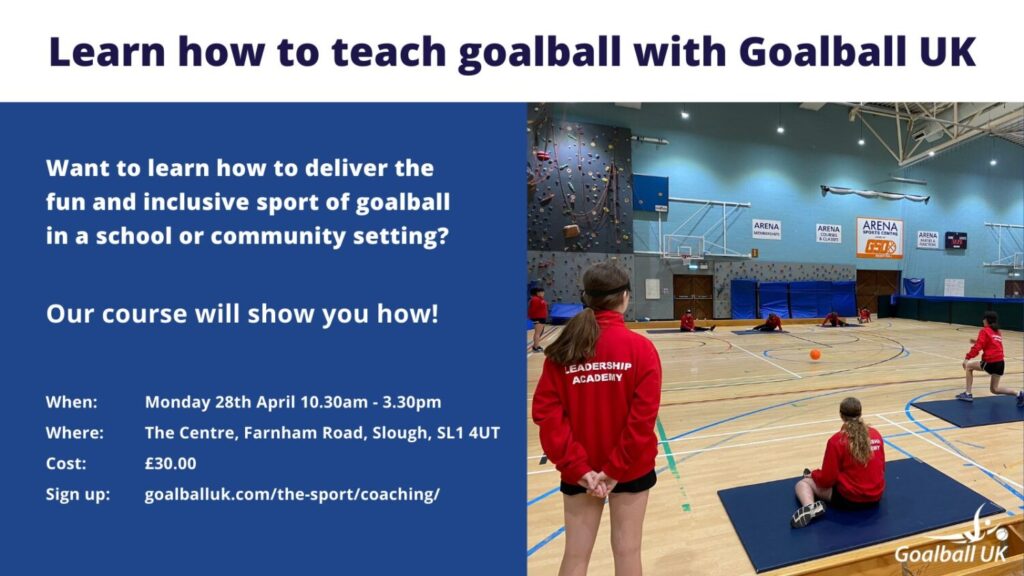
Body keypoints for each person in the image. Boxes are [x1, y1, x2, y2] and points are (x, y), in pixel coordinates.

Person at [532, 261, 662, 576]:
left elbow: (546, 415)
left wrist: (578, 468)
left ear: (586, 298)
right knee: (628, 552)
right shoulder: (641, 350)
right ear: (626, 298)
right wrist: (615, 469)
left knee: (575, 557)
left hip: (580, 471)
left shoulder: (562, 350)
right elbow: (642, 422)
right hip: (630, 468)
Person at [791, 397, 885, 528]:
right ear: (860, 413)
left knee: (803, 484)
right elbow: (882, 468)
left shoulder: (836, 441)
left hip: (850, 499)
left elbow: (827, 480)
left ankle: (809, 507)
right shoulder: (876, 435)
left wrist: (814, 475)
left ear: (841, 415)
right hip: (876, 496)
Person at [957, 311, 1024, 406]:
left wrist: (967, 358)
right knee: (994, 389)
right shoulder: (998, 332)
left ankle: (968, 394)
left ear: (986, 320)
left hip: (991, 362)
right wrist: (977, 341)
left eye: (983, 319)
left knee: (968, 366)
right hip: (1000, 362)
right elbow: (992, 343)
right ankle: (1019, 394)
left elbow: (978, 348)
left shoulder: (984, 331)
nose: (982, 321)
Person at [528, 287, 549, 352]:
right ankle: (535, 347)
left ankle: (536, 345)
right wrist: (532, 317)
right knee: (537, 333)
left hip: (542, 318)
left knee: (540, 333)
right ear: (537, 293)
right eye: (541, 292)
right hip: (538, 318)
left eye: (543, 291)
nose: (543, 293)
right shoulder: (535, 299)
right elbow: (532, 310)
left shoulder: (540, 299)